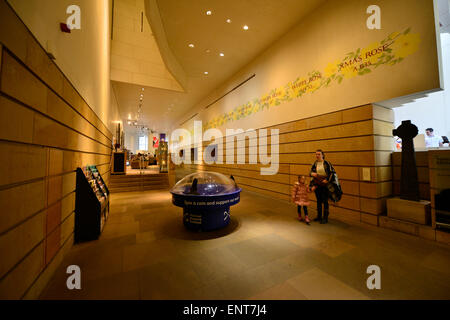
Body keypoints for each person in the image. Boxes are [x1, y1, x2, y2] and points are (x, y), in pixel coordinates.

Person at [310, 149, 336, 224]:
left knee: (325, 201)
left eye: (319, 154)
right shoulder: (315, 163)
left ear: (322, 155)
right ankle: (319, 216)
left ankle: (325, 218)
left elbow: (332, 172)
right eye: (316, 154)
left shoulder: (327, 163)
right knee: (318, 201)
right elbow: (310, 172)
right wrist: (312, 174)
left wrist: (327, 180)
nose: (317, 156)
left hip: (325, 185)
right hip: (318, 184)